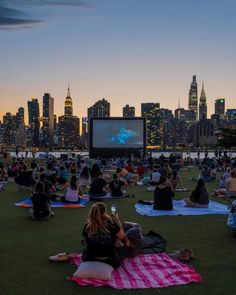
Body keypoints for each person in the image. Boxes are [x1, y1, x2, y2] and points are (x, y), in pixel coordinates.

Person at [81, 202, 131, 269]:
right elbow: (124, 239)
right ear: (104, 212)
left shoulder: (87, 227)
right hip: (111, 262)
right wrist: (117, 219)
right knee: (120, 243)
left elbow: (86, 243)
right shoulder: (111, 225)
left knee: (85, 248)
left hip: (89, 259)